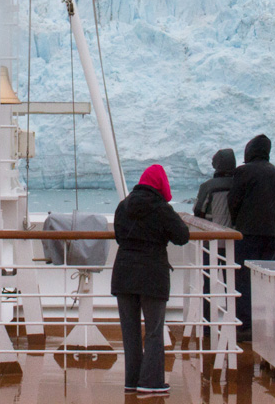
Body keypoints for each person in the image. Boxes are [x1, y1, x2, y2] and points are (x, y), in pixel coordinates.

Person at [112, 165, 189, 397]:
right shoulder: (161, 208)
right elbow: (182, 236)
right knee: (154, 330)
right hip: (152, 274)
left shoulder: (123, 206)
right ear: (161, 184)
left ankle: (132, 381)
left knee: (130, 331)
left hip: (124, 272)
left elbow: (118, 235)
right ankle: (151, 382)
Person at [227, 134, 275, 341]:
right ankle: (264, 325)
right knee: (265, 279)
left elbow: (233, 201)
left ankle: (245, 326)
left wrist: (236, 222)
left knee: (244, 279)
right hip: (271, 233)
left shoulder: (244, 172)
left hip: (248, 233)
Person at [193, 149, 236, 226]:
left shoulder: (207, 186)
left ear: (216, 164)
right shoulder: (240, 184)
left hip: (212, 230)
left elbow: (198, 211)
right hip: (236, 231)